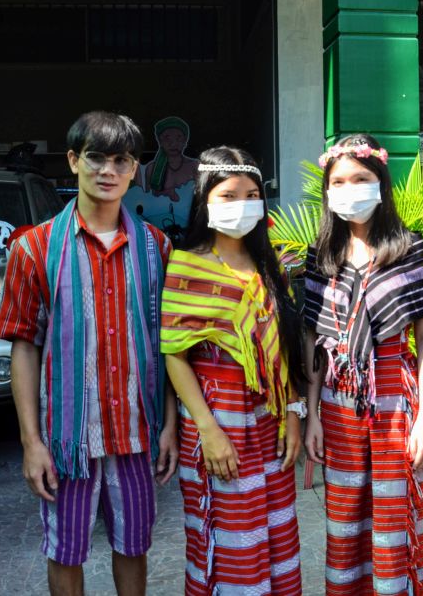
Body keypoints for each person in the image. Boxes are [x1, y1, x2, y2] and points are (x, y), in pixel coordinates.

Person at [0, 111, 178, 596]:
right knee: (65, 551)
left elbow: (169, 347)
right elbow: (25, 349)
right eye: (96, 157)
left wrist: (169, 425)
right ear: (74, 161)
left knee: (133, 546)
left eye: (121, 160)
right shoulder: (33, 249)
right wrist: (31, 443)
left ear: (135, 169)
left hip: (136, 434)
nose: (108, 171)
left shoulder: (156, 247)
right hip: (65, 440)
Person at [160, 146, 304, 595]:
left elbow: (287, 348)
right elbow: (175, 355)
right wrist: (208, 430)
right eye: (228, 194)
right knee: (229, 541)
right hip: (218, 417)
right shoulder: (186, 267)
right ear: (204, 201)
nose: (242, 204)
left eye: (252, 194)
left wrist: (294, 413)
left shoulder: (272, 265)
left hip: (270, 421)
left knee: (278, 536)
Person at [303, 134, 423, 596]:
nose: (349, 188)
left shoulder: (408, 249)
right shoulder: (320, 255)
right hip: (337, 403)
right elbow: (314, 342)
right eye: (338, 181)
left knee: (395, 515)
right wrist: (311, 416)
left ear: (380, 183)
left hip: (395, 399)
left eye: (360, 178)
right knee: (344, 516)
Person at [130, 115, 199, 239]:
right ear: (159, 141)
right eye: (167, 138)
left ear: (185, 141)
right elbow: (148, 200)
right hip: (159, 227)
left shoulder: (195, 166)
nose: (173, 143)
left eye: (179, 138)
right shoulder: (152, 168)